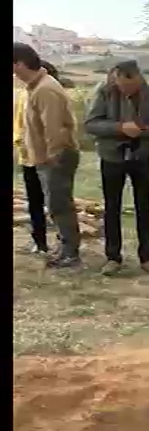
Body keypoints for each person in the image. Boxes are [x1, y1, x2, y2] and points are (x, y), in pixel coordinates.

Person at [84, 60, 149, 276]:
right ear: (115, 78)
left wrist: (145, 131)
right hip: (112, 157)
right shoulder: (103, 91)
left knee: (144, 207)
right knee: (112, 207)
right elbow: (91, 124)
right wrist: (120, 128)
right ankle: (113, 257)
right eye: (121, 86)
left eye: (131, 86)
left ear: (139, 78)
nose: (126, 90)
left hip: (141, 156)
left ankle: (147, 257)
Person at [13, 43, 81, 269]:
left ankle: (70, 253)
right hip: (46, 158)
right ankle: (64, 248)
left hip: (56, 157)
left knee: (60, 205)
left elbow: (54, 129)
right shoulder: (37, 86)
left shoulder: (45, 89)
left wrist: (51, 158)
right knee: (55, 205)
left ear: (21, 64)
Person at [12, 62, 60, 256]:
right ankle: (39, 242)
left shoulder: (49, 93)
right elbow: (20, 123)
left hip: (47, 156)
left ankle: (62, 242)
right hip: (28, 155)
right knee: (35, 201)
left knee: (56, 201)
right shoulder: (25, 94)